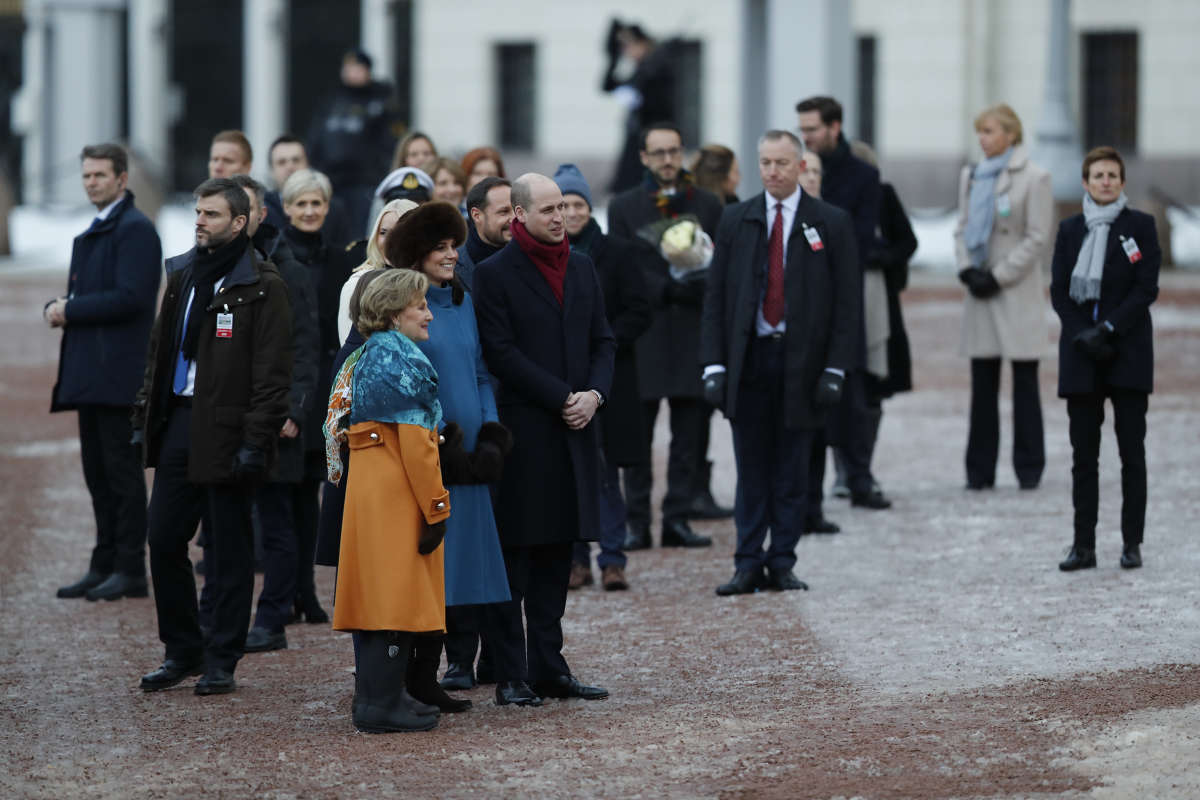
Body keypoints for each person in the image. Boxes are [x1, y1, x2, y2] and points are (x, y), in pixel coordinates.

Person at [134, 177, 292, 695]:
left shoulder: (263, 284)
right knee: (162, 538)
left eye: (211, 214)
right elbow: (160, 353)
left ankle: (223, 656)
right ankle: (183, 648)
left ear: (240, 223)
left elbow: (272, 376)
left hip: (230, 428)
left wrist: (256, 440)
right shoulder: (182, 274)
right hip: (179, 420)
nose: (199, 221)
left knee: (227, 550)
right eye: (198, 212)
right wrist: (145, 418)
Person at [473, 173, 616, 706]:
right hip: (524, 432)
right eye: (549, 209)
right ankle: (510, 675)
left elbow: (604, 339)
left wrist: (595, 394)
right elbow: (501, 352)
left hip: (576, 428)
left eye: (563, 207)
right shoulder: (493, 274)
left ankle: (549, 667)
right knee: (516, 558)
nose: (560, 217)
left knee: (559, 552)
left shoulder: (581, 267)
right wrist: (563, 396)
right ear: (519, 216)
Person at [699, 130, 859, 596]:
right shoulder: (736, 219)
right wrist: (713, 364)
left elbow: (848, 305)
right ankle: (747, 561)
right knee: (751, 468)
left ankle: (782, 560)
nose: (772, 171)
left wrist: (835, 368)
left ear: (801, 166)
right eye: (765, 162)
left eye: (782, 163)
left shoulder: (830, 222)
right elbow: (716, 299)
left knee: (792, 469)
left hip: (803, 364)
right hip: (749, 361)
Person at [386, 200, 513, 703]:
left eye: (453, 245)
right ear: (416, 255)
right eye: (439, 247)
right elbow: (405, 381)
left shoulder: (463, 302)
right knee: (426, 574)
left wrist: (490, 432)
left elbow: (481, 372)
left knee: (458, 576)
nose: (452, 254)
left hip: (472, 461)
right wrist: (441, 438)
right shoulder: (405, 310)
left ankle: (430, 680)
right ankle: (410, 680)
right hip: (430, 457)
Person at [328, 268, 447, 733]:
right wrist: (437, 507)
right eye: (420, 306)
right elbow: (418, 447)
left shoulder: (370, 353)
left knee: (380, 593)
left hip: (373, 486)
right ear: (396, 313)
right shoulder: (402, 360)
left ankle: (381, 696)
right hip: (397, 490)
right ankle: (379, 706)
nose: (429, 315)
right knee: (393, 598)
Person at [48, 143, 162, 602]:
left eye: (100, 175)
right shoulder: (100, 228)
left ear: (121, 179)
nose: (91, 182)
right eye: (87, 175)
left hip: (118, 375)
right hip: (92, 373)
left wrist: (69, 309)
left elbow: (133, 297)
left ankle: (130, 567)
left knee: (122, 475)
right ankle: (105, 561)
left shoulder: (135, 230)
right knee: (97, 474)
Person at [608, 122, 723, 549]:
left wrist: (700, 280)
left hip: (693, 331)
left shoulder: (709, 203)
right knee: (637, 439)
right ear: (643, 157)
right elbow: (623, 266)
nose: (668, 160)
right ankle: (638, 521)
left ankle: (677, 516)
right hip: (646, 334)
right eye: (658, 153)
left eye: (674, 151)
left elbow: (721, 261)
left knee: (689, 437)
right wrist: (664, 288)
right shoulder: (624, 206)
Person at [1050, 147, 1160, 572]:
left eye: (1113, 175)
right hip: (1082, 355)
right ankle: (1084, 545)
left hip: (1127, 352)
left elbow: (1145, 288)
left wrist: (1109, 328)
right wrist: (1083, 334)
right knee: (1084, 457)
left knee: (1132, 453)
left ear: (1122, 181)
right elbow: (1060, 290)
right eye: (1098, 175)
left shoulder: (1141, 227)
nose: (1106, 182)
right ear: (1085, 182)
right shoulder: (1070, 229)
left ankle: (1132, 543)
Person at [230, 175, 321, 653]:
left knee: (278, 523)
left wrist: (295, 410)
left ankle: (272, 618)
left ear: (263, 214)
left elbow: (306, 349)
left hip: (277, 417)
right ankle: (225, 616)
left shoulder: (290, 271)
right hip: (226, 417)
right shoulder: (211, 268)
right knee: (230, 525)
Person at [556, 164, 652, 592]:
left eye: (578, 204)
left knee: (607, 471)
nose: (572, 213)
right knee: (571, 473)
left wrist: (606, 338)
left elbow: (640, 308)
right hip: (562, 378)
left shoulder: (618, 251)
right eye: (564, 205)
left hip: (610, 376)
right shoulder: (546, 255)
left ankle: (613, 557)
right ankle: (577, 558)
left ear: (590, 208)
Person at [796, 95, 889, 517]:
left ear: (835, 127)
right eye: (802, 130)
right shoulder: (795, 170)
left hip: (844, 297)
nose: (806, 137)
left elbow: (864, 237)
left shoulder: (862, 176)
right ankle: (809, 493)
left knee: (851, 393)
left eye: (812, 129)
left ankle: (859, 476)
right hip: (800, 305)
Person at [953, 103, 1053, 491]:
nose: (983, 139)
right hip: (979, 291)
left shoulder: (1034, 177)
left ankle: (1029, 468)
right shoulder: (971, 175)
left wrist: (998, 276)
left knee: (1025, 384)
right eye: (980, 131)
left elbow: (1038, 237)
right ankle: (979, 471)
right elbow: (961, 227)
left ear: (1011, 134)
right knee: (982, 386)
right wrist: (966, 269)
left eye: (990, 131)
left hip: (1014, 292)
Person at [282, 167, 348, 623]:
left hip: (327, 386)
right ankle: (283, 591)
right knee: (282, 498)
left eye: (316, 203)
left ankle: (306, 590)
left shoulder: (338, 261)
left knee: (312, 494)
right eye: (301, 203)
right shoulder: (276, 259)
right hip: (289, 388)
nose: (309, 211)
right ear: (286, 209)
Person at [307, 49, 400, 235]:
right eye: (349, 68)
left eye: (358, 68)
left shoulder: (380, 102)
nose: (353, 73)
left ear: (368, 71)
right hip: (331, 182)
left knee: (359, 233)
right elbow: (316, 139)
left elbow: (389, 144)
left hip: (363, 183)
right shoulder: (332, 101)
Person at [602, 20, 677, 193]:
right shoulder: (641, 69)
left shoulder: (658, 66)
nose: (627, 52)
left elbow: (660, 104)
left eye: (629, 46)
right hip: (636, 135)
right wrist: (612, 58)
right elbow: (608, 85)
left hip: (652, 135)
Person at [338, 198, 419, 343]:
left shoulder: (433, 282)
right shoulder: (358, 285)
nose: (390, 241)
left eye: (400, 232)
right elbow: (351, 355)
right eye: (383, 232)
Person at [264, 134, 352, 249]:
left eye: (296, 160)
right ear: (272, 171)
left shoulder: (335, 209)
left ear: (307, 164)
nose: (290, 167)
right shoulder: (262, 212)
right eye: (282, 162)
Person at [455, 176, 513, 290]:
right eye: (504, 212)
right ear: (477, 215)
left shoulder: (531, 259)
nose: (514, 218)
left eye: (516, 209)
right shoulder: (451, 267)